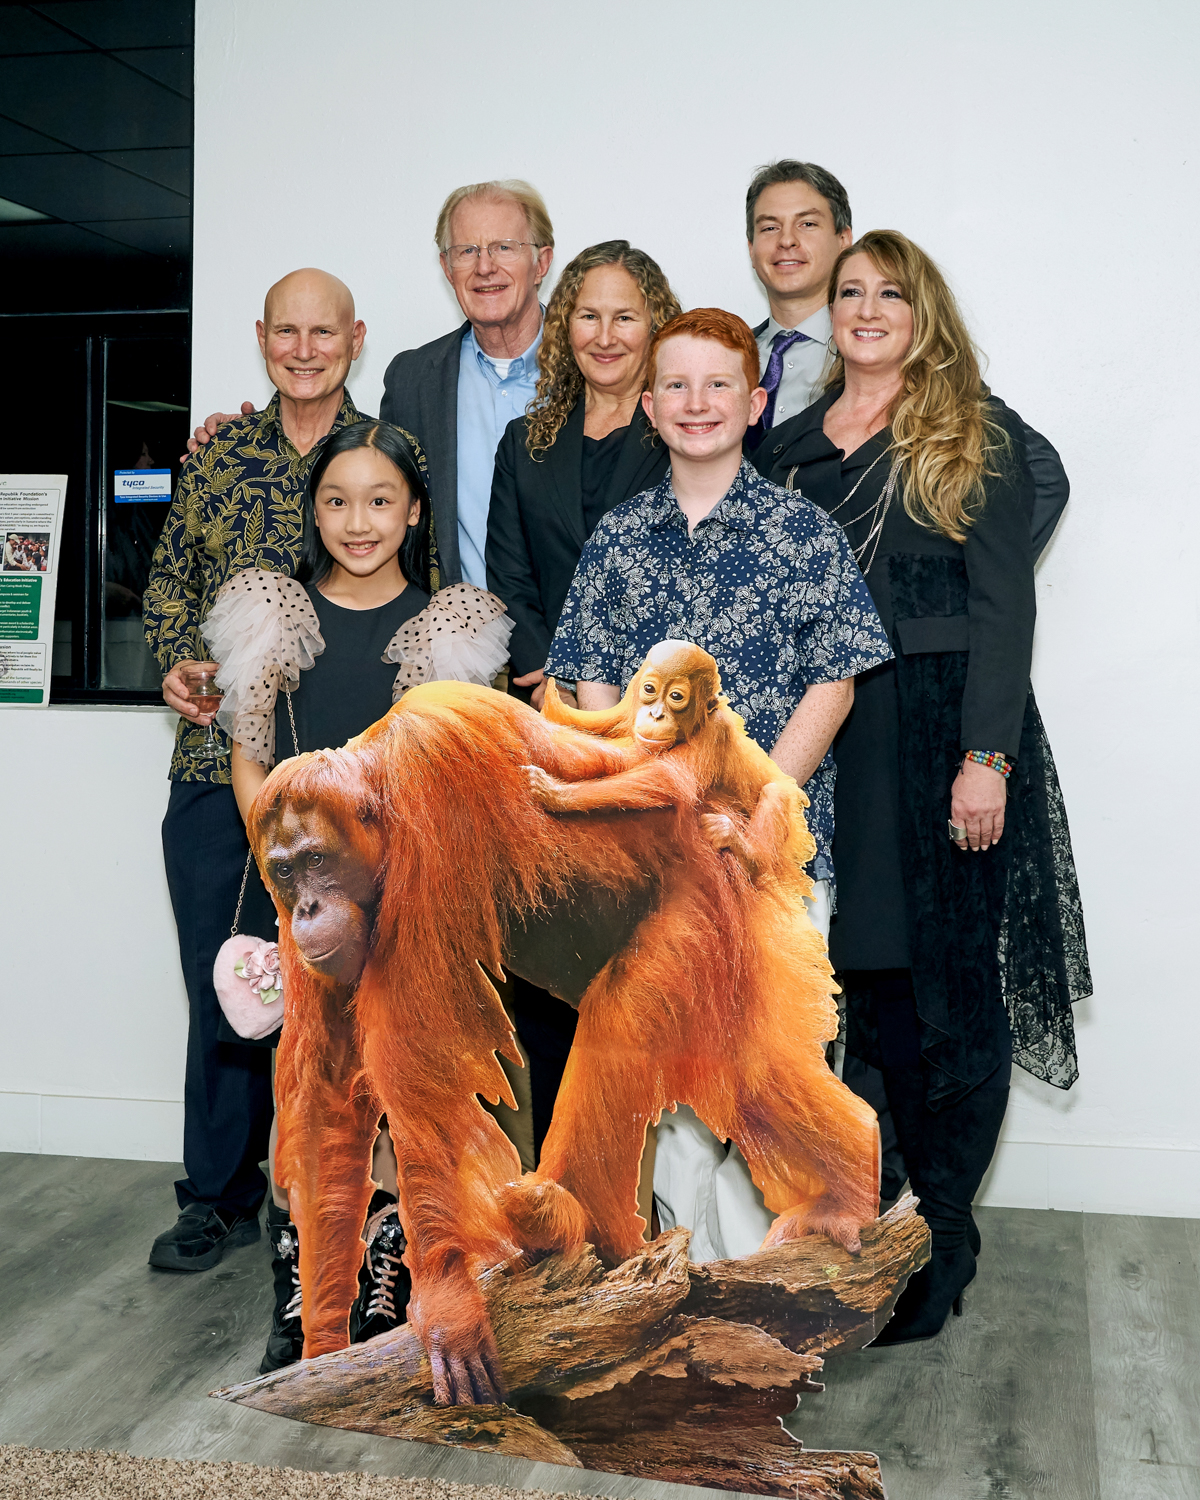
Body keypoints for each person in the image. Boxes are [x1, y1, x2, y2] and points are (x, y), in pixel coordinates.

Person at [753, 230, 1090, 1341]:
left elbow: (1007, 609)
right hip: (834, 739)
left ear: (923, 311)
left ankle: (943, 1242)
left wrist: (985, 759)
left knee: (950, 1003)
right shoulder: (791, 448)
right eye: (849, 292)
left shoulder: (971, 432)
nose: (865, 307)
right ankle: (877, 1226)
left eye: (889, 293)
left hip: (949, 738)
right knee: (862, 994)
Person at [546, 307, 894, 1259]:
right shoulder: (617, 541)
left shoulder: (802, 535)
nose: (698, 403)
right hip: (650, 863)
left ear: (756, 401)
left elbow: (837, 677)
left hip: (768, 858)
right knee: (659, 1083)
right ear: (650, 406)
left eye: (718, 385)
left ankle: (765, 1309)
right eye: (679, 387)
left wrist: (754, 803)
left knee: (762, 1083)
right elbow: (592, 682)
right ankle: (682, 1303)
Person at [203, 417, 512, 1372]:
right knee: (307, 1095)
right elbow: (250, 759)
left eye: (380, 500)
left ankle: (386, 1275)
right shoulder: (272, 614)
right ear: (314, 510)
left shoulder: (448, 625)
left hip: (402, 897)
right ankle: (304, 1293)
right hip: (298, 890)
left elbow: (443, 783)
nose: (358, 520)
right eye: (336, 501)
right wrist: (289, 865)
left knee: (397, 1090)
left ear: (414, 509)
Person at [142, 268, 379, 1274]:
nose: (304, 348)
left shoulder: (380, 457)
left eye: (322, 332)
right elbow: (166, 585)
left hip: (344, 769)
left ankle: (342, 1196)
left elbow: (421, 595)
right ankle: (218, 1194)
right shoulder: (218, 456)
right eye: (287, 331)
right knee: (228, 982)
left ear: (354, 339)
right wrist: (175, 658)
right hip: (215, 765)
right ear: (261, 337)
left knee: (353, 991)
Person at [483, 240, 681, 1163]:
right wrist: (552, 666)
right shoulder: (526, 443)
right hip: (547, 724)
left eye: (626, 315)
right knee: (549, 957)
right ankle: (557, 1174)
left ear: (656, 327)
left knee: (642, 959)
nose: (605, 334)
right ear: (565, 326)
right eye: (588, 315)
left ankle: (643, 1189)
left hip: (649, 732)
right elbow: (508, 575)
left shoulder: (682, 433)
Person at [187, 179, 554, 595]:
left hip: (580, 640)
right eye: (467, 251)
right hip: (459, 640)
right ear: (447, 268)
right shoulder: (414, 379)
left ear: (542, 262)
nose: (485, 266)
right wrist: (240, 436)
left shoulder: (590, 372)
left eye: (504, 247)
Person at [744, 160, 1070, 558]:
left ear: (844, 238)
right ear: (751, 247)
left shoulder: (896, 349)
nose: (787, 241)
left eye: (807, 224)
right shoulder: (723, 358)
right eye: (769, 227)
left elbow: (1041, 475)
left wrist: (949, 583)